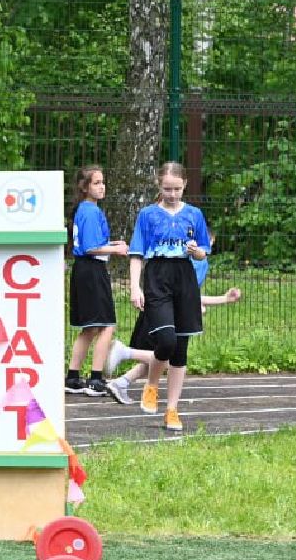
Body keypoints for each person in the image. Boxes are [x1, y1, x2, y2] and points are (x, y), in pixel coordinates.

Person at [101, 162, 211, 434]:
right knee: (165, 340)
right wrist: (135, 287)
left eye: (176, 188)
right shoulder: (147, 215)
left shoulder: (194, 214)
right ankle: (151, 384)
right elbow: (136, 253)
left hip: (184, 278)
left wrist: (196, 252)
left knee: (181, 349)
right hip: (157, 276)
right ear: (158, 186)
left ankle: (172, 410)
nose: (172, 194)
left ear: (185, 184)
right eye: (166, 189)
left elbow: (203, 253)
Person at [107, 240, 239, 411]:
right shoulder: (188, 258)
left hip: (161, 304)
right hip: (161, 308)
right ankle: (125, 353)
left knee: (164, 356)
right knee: (169, 356)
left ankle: (122, 382)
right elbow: (182, 293)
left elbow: (189, 295)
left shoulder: (192, 258)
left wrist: (222, 299)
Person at [65, 166, 130, 402]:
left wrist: (111, 243)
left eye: (103, 182)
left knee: (90, 327)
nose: (102, 186)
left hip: (83, 270)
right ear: (85, 187)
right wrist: (117, 249)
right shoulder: (90, 211)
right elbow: (91, 248)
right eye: (96, 183)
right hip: (92, 270)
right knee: (106, 325)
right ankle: (95, 379)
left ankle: (72, 377)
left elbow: (88, 241)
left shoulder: (84, 210)